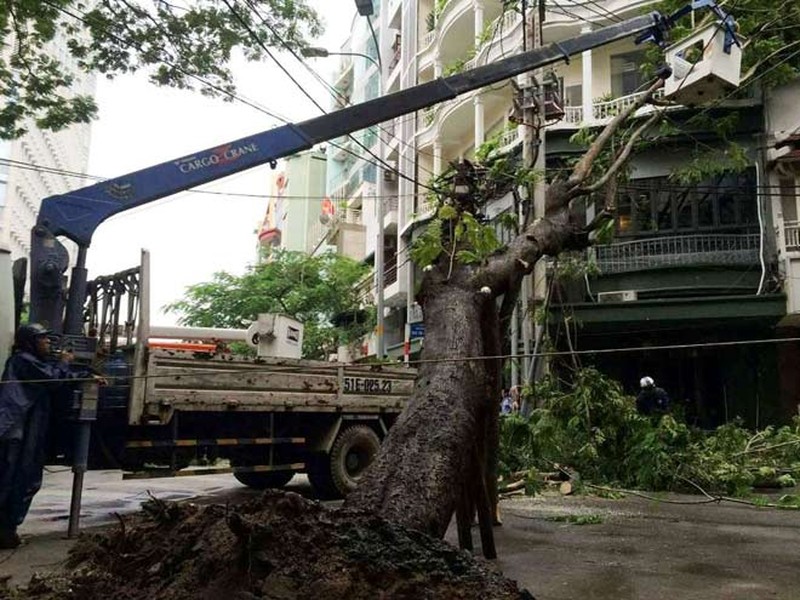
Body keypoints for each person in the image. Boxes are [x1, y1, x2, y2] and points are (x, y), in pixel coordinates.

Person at [0, 323, 96, 549]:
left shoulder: (31, 362)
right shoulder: (22, 360)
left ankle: (7, 530)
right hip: (17, 428)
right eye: (43, 339)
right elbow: (53, 378)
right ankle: (5, 529)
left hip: (24, 428)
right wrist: (64, 361)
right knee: (14, 479)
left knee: (22, 479)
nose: (48, 343)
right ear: (30, 342)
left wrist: (86, 374)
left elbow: (56, 375)